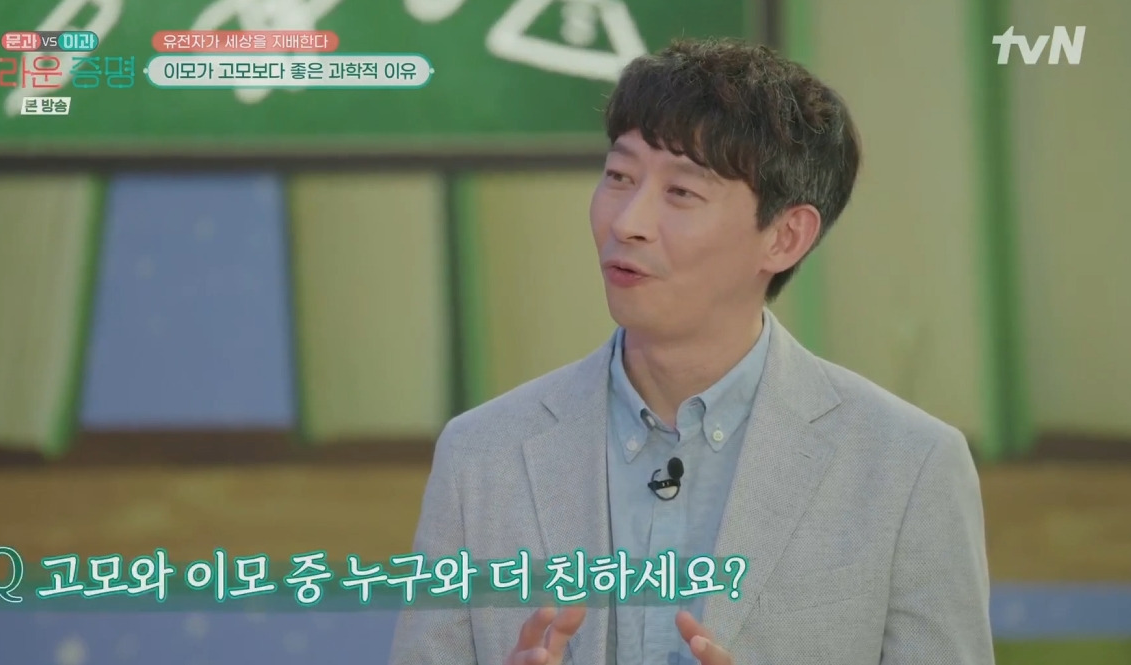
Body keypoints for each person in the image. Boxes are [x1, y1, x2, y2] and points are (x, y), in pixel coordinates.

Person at [388, 37, 993, 665]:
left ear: (785, 237)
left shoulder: (908, 467)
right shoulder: (481, 455)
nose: (627, 222)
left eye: (681, 193)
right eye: (619, 177)